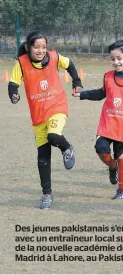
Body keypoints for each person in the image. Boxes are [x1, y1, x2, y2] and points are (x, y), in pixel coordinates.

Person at [8, 31, 82, 209]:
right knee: (42, 158)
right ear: (28, 47)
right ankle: (47, 195)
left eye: (43, 47)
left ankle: (67, 147)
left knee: (54, 136)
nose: (41, 51)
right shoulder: (21, 63)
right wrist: (14, 95)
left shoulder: (54, 57)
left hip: (57, 107)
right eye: (36, 47)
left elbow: (70, 65)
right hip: (38, 115)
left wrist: (77, 82)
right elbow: (13, 83)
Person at [74, 40, 123, 199]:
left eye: (119, 58)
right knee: (100, 148)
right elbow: (101, 93)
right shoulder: (108, 76)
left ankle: (122, 190)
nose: (116, 62)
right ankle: (112, 165)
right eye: (113, 59)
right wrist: (83, 94)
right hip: (107, 123)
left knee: (122, 156)